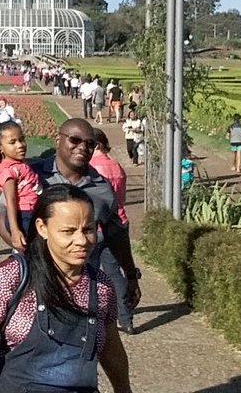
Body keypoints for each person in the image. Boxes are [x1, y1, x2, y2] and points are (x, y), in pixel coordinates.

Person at [0, 184, 134, 393]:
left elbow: (111, 351)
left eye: (87, 230)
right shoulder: (13, 275)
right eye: (68, 231)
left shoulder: (102, 287)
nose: (81, 241)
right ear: (42, 228)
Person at [0, 118, 142, 309]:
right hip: (35, 283)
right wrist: (21, 246)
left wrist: (131, 275)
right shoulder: (31, 174)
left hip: (81, 287)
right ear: (58, 140)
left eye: (90, 144)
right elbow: (0, 216)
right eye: (74, 140)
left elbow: (115, 234)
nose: (82, 147)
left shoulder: (103, 188)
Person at [90, 128, 135, 335]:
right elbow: (121, 199)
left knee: (87, 274)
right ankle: (126, 319)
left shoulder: (91, 168)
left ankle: (89, 317)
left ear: (95, 145)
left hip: (95, 226)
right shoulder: (117, 166)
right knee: (115, 273)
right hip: (117, 224)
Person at [0, 120, 42, 251]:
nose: (20, 145)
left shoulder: (19, 164)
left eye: (22, 139)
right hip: (24, 216)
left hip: (31, 212)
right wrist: (15, 230)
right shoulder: (9, 171)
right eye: (12, 142)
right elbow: (11, 200)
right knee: (32, 252)